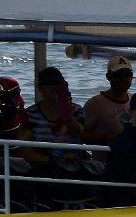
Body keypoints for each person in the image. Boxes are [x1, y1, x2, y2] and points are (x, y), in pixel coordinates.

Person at [20, 66, 89, 208]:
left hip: (74, 168)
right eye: (48, 84)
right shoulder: (29, 115)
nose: (52, 87)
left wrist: (68, 116)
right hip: (44, 169)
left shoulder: (76, 110)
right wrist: (53, 160)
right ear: (40, 88)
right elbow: (25, 151)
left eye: (56, 83)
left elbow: (78, 132)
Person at [80, 55, 134, 149]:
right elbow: (81, 134)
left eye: (127, 74)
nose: (123, 79)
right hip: (103, 161)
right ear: (108, 76)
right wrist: (106, 139)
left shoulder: (133, 99)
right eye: (118, 75)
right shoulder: (94, 104)